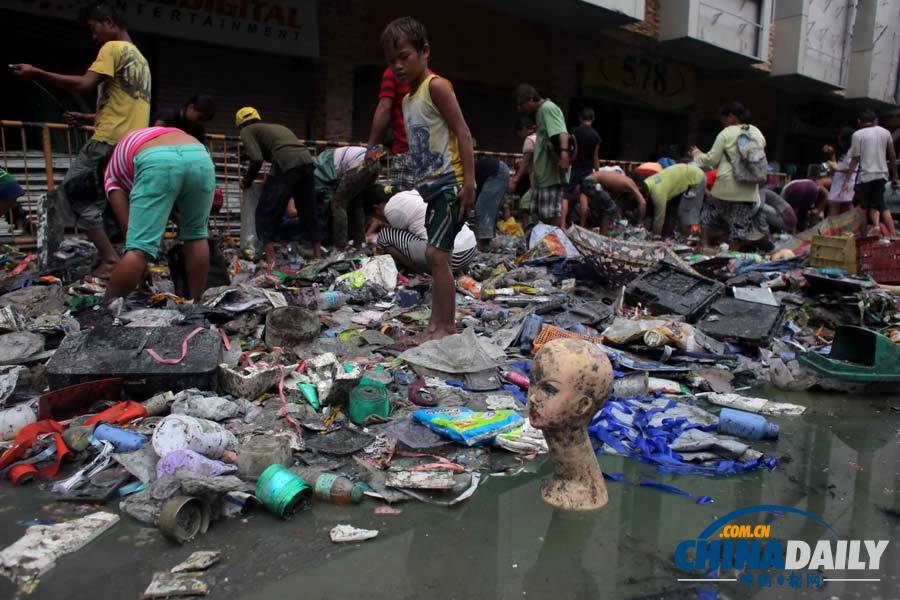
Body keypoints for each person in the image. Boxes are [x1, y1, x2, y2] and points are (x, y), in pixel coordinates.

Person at [12, 1, 151, 276]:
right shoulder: (141, 60)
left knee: (74, 193)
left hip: (107, 141)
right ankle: (135, 263)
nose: (93, 35)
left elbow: (84, 84)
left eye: (94, 28)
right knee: (119, 203)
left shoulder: (112, 48)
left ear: (108, 22)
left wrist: (37, 73)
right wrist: (89, 118)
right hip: (132, 146)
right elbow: (126, 105)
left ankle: (110, 260)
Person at [382, 16, 475, 341]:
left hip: (451, 184)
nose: (398, 66)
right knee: (438, 258)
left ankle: (445, 327)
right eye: (391, 60)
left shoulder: (436, 87)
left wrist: (469, 182)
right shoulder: (408, 100)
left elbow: (463, 132)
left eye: (404, 56)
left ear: (424, 52)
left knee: (436, 255)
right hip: (431, 191)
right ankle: (435, 325)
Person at [101, 127, 214, 302]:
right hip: (198, 155)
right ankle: (196, 304)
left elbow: (128, 228)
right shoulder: (145, 138)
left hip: (157, 160)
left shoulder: (111, 175)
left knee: (137, 249)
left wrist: (140, 264)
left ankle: (104, 309)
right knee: (196, 235)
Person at [236, 107, 319, 261]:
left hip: (286, 163)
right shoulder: (277, 127)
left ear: (240, 124)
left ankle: (270, 260)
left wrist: (246, 181)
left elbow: (256, 159)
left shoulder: (247, 130)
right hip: (307, 161)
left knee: (264, 212)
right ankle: (317, 256)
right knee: (308, 209)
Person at [691, 102, 766, 249]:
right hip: (749, 189)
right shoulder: (757, 132)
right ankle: (731, 256)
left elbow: (712, 159)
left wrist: (696, 154)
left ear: (731, 117)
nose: (723, 123)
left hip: (726, 186)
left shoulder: (727, 132)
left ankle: (704, 246)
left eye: (723, 120)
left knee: (707, 214)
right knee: (739, 225)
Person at [365, 59, 433, 192]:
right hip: (431, 157)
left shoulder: (394, 73)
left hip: (406, 154)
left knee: (403, 202)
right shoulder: (435, 80)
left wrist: (372, 147)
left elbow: (385, 107)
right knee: (425, 203)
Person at [372, 189, 476, 273]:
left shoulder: (389, 209)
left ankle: (421, 272)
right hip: (470, 251)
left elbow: (401, 236)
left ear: (376, 208)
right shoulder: (409, 194)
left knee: (384, 235)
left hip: (449, 259)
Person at [515, 84, 571, 228]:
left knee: (552, 217)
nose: (521, 109)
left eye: (522, 104)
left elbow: (562, 133)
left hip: (551, 175)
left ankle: (557, 241)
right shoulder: (541, 112)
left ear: (530, 99)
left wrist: (564, 155)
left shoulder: (548, 108)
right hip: (544, 176)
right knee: (543, 216)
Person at [842, 110, 899, 237]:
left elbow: (855, 159)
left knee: (862, 207)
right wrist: (895, 177)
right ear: (875, 121)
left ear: (859, 122)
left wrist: (847, 180)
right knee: (881, 205)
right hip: (882, 175)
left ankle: (851, 234)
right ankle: (893, 234)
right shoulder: (886, 132)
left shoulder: (858, 134)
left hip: (865, 176)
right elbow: (892, 156)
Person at [313, 145, 381, 248]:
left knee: (338, 204)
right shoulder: (333, 155)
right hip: (374, 163)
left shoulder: (321, 163)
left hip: (361, 164)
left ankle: (340, 245)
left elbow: (325, 190)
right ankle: (359, 243)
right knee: (356, 201)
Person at [639, 163, 706, 236]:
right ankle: (669, 235)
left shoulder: (658, 194)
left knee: (685, 212)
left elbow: (659, 218)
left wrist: (655, 235)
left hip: (696, 178)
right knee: (672, 209)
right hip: (684, 172)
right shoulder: (648, 181)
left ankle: (689, 237)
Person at [578, 168, 646, 232]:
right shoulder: (631, 184)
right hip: (591, 182)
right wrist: (640, 222)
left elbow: (617, 205)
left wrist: (617, 221)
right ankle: (603, 236)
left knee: (607, 208)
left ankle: (601, 231)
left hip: (589, 181)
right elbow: (643, 203)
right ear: (639, 188)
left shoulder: (620, 185)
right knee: (609, 208)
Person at [473, 156, 511, 249]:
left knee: (482, 209)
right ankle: (485, 242)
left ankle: (481, 244)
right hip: (499, 170)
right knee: (488, 209)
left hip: (496, 171)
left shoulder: (463, 175)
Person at [509, 116, 536, 223]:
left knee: (525, 204)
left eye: (518, 133)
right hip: (543, 179)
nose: (519, 136)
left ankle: (528, 229)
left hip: (537, 181)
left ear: (523, 129)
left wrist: (514, 180)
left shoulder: (529, 140)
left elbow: (525, 163)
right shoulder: (539, 137)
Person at [827, 126, 857, 217]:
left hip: (844, 183)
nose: (838, 139)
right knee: (846, 209)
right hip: (839, 182)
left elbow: (853, 168)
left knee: (834, 208)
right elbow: (837, 166)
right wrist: (832, 154)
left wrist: (837, 170)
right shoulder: (844, 152)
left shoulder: (852, 152)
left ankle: (830, 226)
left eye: (840, 137)